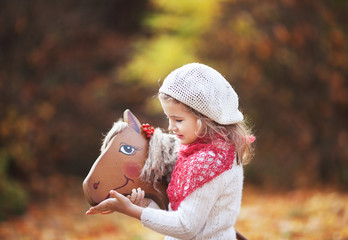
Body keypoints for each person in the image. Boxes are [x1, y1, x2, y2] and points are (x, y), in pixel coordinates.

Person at [86, 63, 255, 239]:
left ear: (206, 119)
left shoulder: (209, 163)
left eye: (178, 120)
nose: (170, 127)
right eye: (169, 118)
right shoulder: (209, 154)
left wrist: (131, 210)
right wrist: (146, 204)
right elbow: (178, 214)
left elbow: (185, 227)